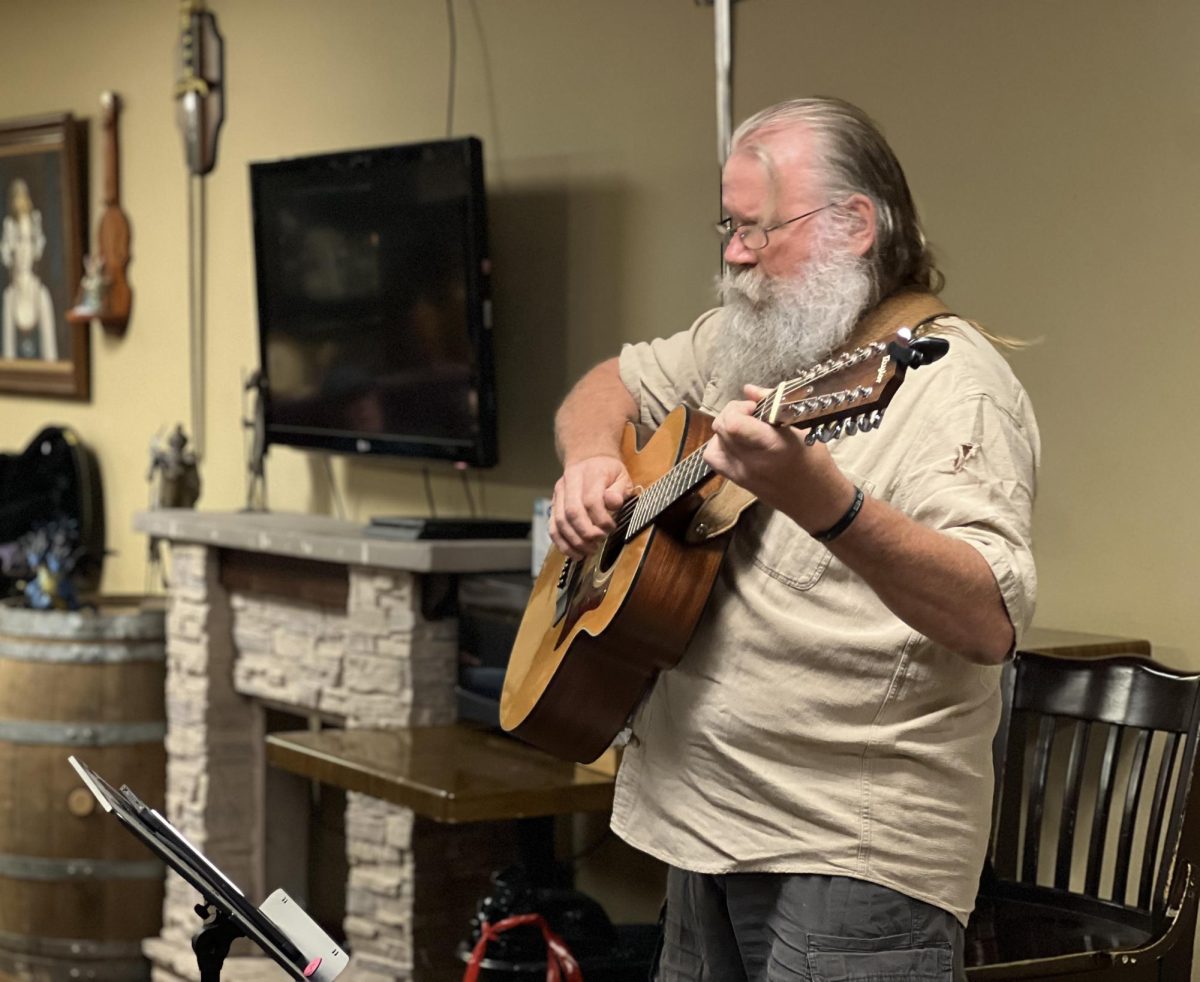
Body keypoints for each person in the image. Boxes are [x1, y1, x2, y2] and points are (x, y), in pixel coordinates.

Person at [547, 96, 1038, 981]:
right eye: (727, 226)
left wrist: (826, 502)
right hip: (702, 821)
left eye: (754, 228)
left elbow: (988, 619)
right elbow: (607, 385)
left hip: (848, 850)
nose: (732, 253)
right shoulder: (759, 342)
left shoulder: (955, 388)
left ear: (854, 224)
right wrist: (588, 462)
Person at [1, 178, 59, 361]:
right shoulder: (9, 297)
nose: (24, 250)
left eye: (27, 241)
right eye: (19, 241)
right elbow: (8, 358)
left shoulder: (42, 295)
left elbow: (51, 356)